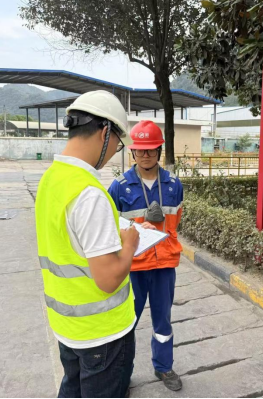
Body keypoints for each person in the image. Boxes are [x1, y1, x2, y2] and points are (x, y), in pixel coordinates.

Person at [35, 90, 140, 398]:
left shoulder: (52, 178)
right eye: (117, 145)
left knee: (72, 389)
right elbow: (108, 280)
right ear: (105, 132)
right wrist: (130, 244)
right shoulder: (90, 192)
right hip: (102, 334)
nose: (113, 153)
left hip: (67, 326)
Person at [108, 120, 184, 391]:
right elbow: (109, 225)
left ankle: (163, 367)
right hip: (133, 266)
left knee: (163, 320)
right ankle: (122, 373)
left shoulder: (174, 185)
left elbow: (176, 221)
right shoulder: (119, 187)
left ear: (159, 150)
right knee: (128, 322)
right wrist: (137, 229)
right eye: (140, 149)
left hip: (165, 266)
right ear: (133, 152)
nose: (146, 154)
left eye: (151, 149)